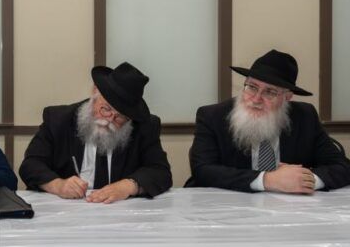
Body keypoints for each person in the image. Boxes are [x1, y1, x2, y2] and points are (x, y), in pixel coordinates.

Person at [187, 49, 350, 193]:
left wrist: (304, 180)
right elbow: (202, 170)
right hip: (228, 208)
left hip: (289, 209)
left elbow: (343, 167)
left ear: (287, 97)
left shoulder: (305, 116)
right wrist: (267, 180)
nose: (256, 99)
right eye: (252, 87)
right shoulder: (212, 116)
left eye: (270, 92)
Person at [20, 62, 172, 203]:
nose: (109, 119)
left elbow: (161, 172)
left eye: (119, 117)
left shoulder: (144, 127)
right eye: (105, 109)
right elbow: (30, 165)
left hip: (119, 213)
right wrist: (58, 185)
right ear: (94, 92)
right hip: (67, 211)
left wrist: (129, 186)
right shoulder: (58, 120)